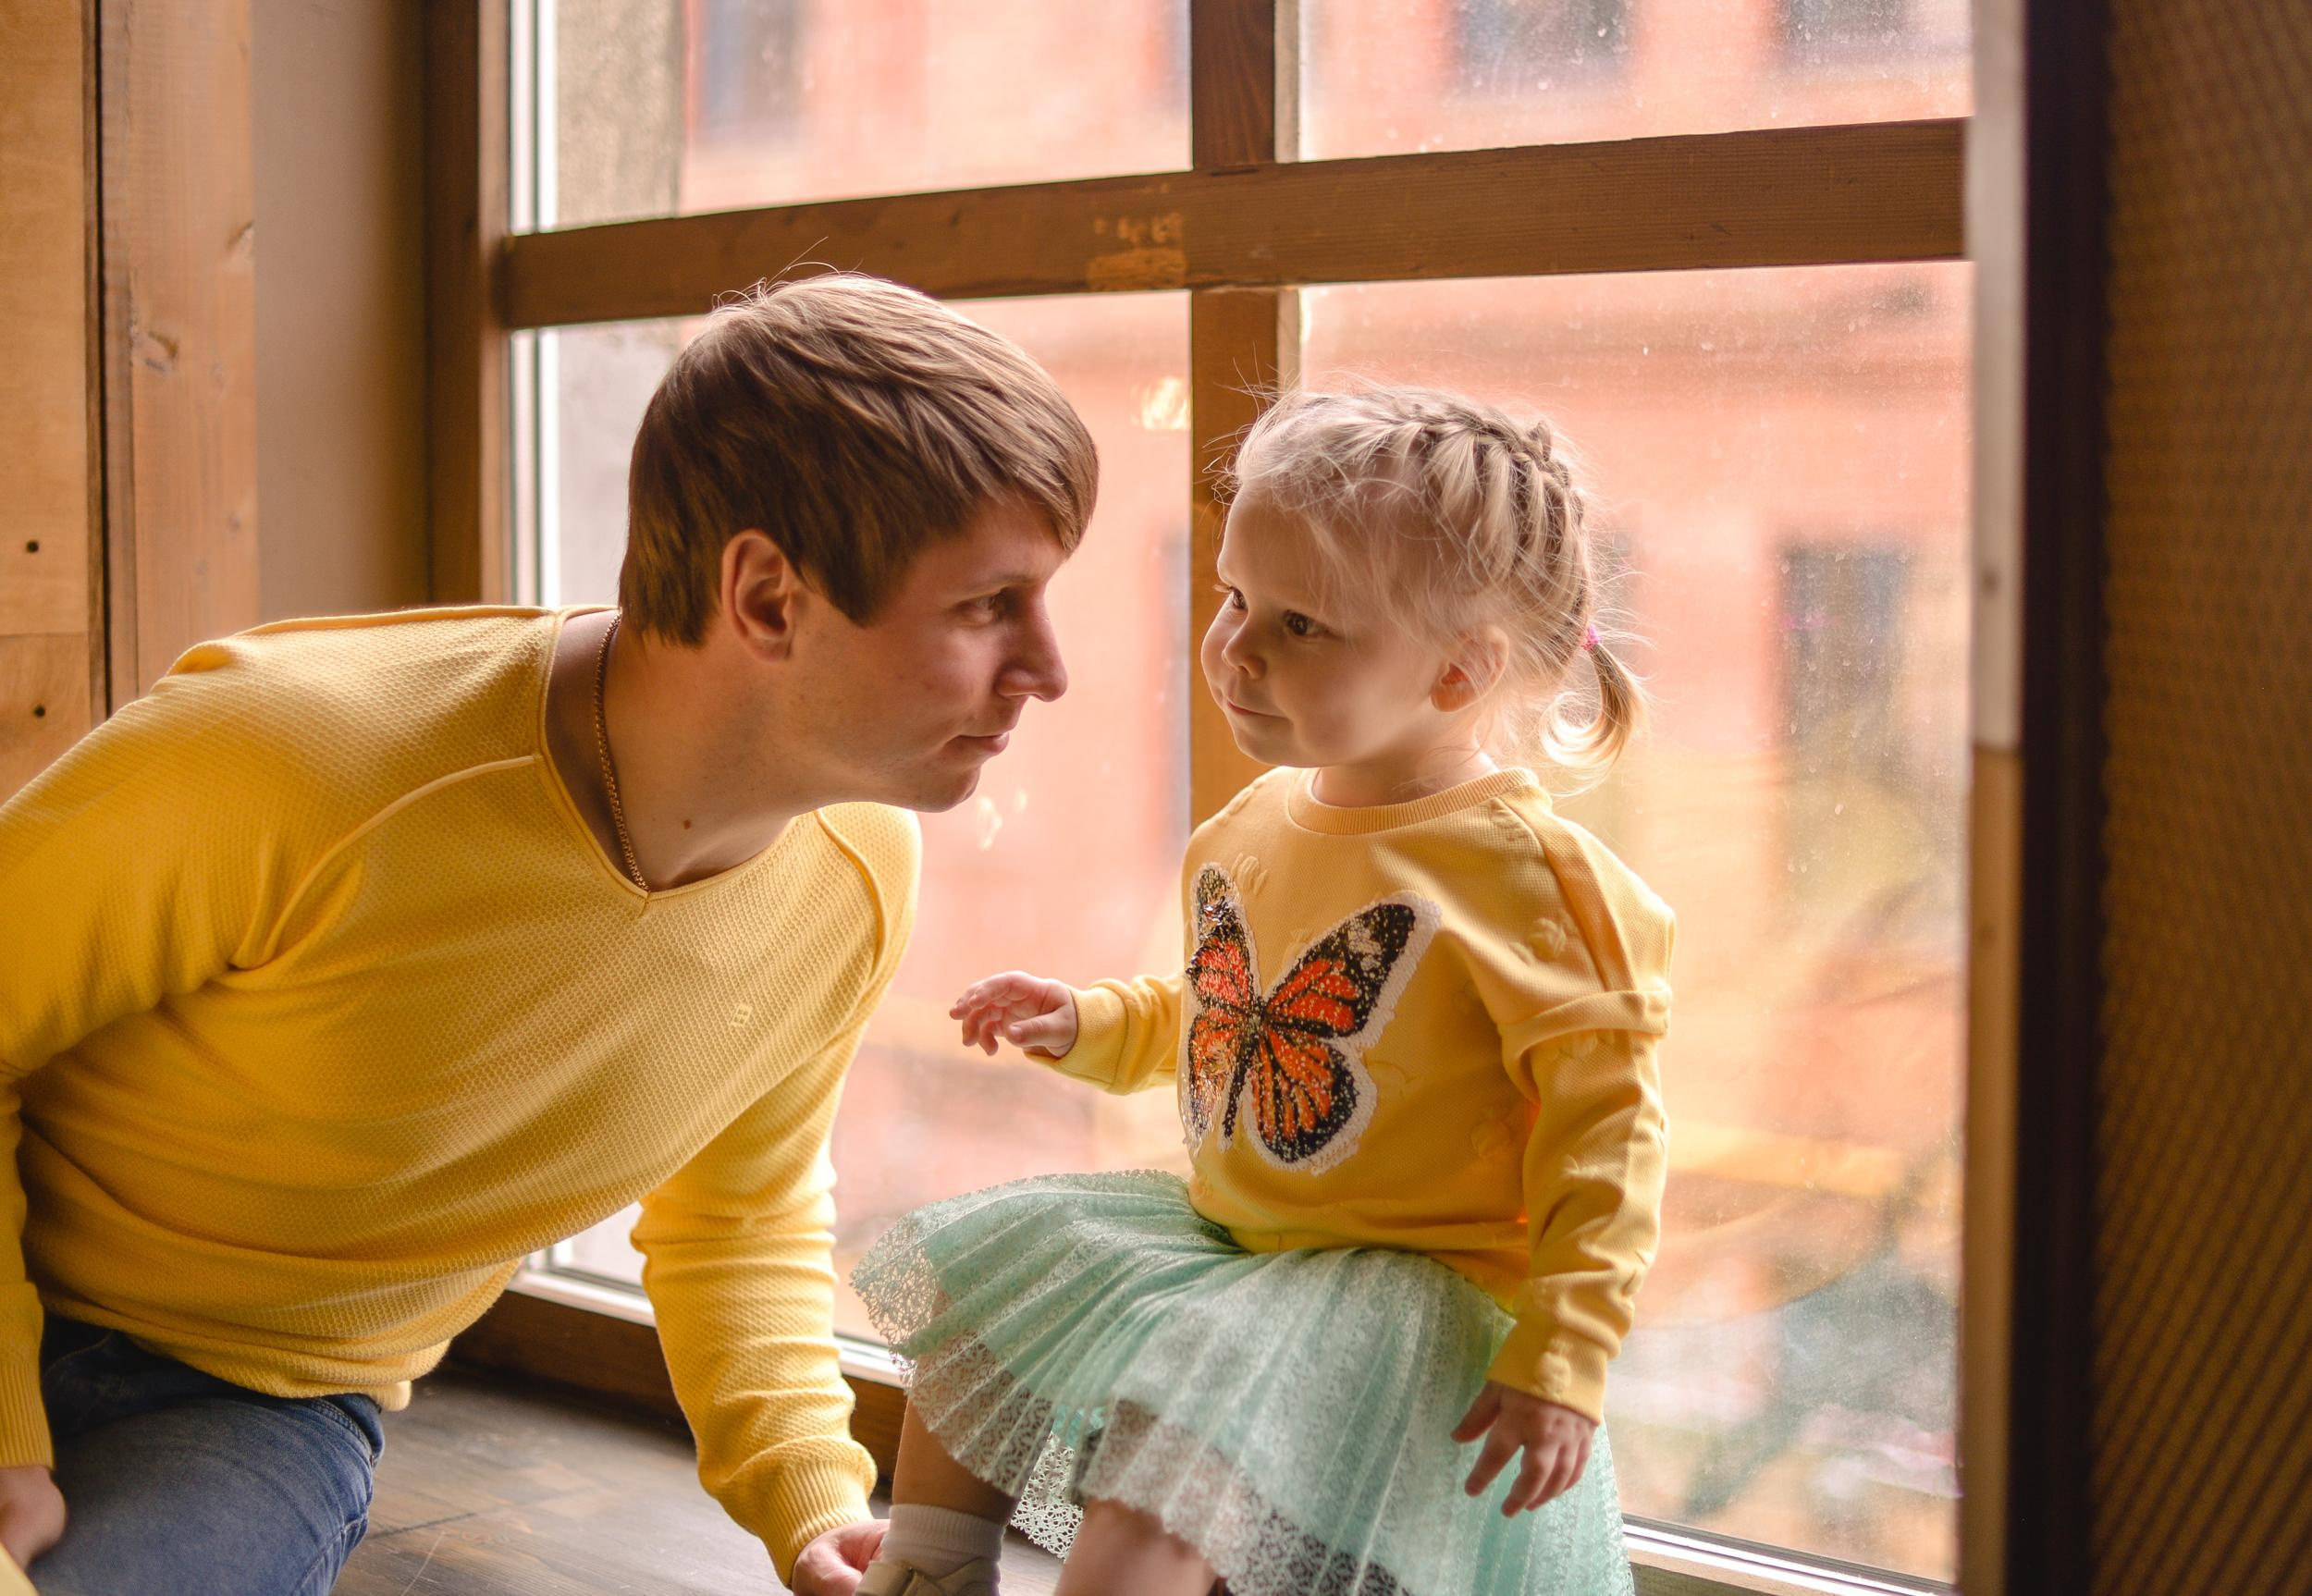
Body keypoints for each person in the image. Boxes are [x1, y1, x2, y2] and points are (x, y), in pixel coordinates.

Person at [0, 273, 1095, 1596]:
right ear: (766, 597)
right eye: (989, 605)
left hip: (252, 1405)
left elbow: (734, 1210)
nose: (1048, 666)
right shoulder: (292, 757)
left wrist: (813, 1493)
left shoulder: (857, 871)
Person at [852, 387, 1677, 1596]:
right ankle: (926, 1572)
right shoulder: (1256, 824)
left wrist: (1567, 1351)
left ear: (1459, 670)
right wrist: (1087, 1020)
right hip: (1234, 1244)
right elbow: (1225, 1023)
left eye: (1302, 625)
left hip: (1404, 1301)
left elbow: (1613, 1139)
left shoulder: (1530, 883)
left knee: (1163, 1491)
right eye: (1234, 595)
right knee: (979, 1303)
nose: (1235, 646)